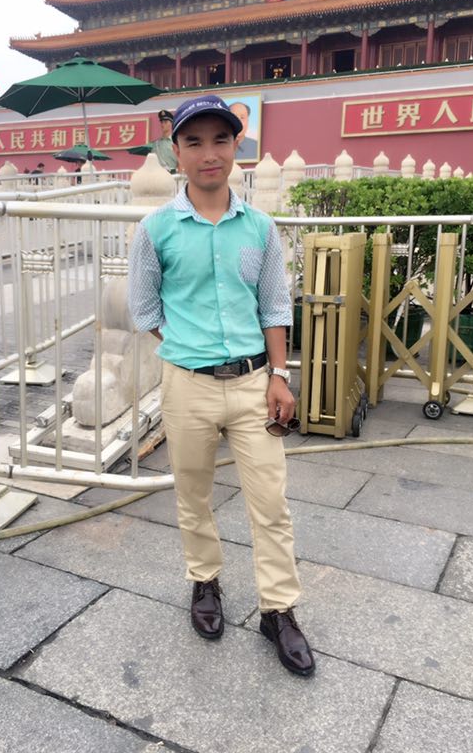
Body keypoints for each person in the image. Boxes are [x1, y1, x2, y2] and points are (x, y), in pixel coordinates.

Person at [128, 95, 315, 677]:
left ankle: (278, 610)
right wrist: (188, 348)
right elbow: (144, 308)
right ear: (176, 152)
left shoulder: (260, 227)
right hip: (188, 386)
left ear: (237, 146)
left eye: (220, 140)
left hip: (256, 382)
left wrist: (279, 375)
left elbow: (275, 306)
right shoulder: (156, 230)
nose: (208, 153)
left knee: (271, 502)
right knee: (193, 494)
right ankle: (204, 582)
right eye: (194, 142)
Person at [151, 109, 178, 173]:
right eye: (161, 122)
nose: (163, 124)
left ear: (171, 124)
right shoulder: (156, 144)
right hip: (158, 174)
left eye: (165, 122)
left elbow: (180, 162)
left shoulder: (176, 142)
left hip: (173, 174)